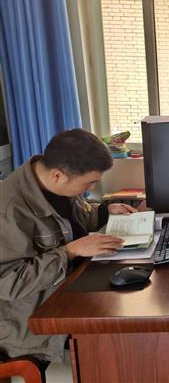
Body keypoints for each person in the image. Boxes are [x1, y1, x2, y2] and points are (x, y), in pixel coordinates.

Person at [0, 129, 137, 366]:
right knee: (124, 344)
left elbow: (72, 224)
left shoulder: (56, 184)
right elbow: (8, 283)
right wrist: (69, 252)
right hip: (37, 323)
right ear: (58, 175)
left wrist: (104, 212)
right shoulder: (8, 210)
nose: (89, 189)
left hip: (76, 289)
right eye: (89, 183)